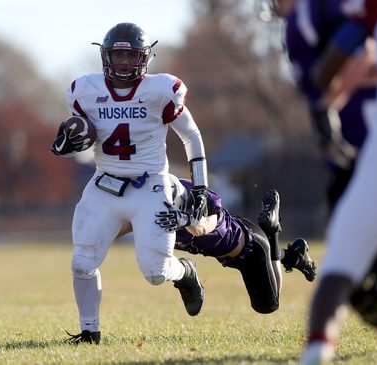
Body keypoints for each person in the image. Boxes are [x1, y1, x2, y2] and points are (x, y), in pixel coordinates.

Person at [258, 0, 377, 363]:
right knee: (364, 284)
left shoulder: (312, 21)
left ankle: (318, 350)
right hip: (372, 157)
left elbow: (351, 54)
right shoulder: (316, 23)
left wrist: (337, 86)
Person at [51, 22, 210, 344]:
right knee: (82, 262)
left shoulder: (161, 90)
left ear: (145, 58)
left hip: (150, 185)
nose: (124, 63)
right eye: (118, 55)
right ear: (105, 56)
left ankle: (185, 272)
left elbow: (191, 135)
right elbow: (82, 137)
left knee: (156, 272)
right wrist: (65, 147)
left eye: (131, 55)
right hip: (104, 184)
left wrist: (201, 186)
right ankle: (89, 331)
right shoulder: (85, 90)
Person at [150, 174, 317, 314]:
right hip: (232, 251)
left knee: (268, 305)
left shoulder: (198, 200)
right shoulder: (156, 209)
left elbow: (204, 227)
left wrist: (185, 220)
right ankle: (294, 256)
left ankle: (272, 232)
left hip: (251, 249)